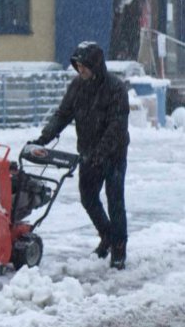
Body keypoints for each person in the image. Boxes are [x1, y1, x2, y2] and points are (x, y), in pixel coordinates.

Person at [29, 41, 130, 269]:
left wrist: (101, 153)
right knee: (88, 198)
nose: (80, 70)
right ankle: (107, 235)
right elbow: (63, 114)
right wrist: (44, 138)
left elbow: (117, 126)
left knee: (115, 201)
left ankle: (119, 248)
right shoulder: (77, 86)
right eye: (77, 66)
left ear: (95, 65)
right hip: (88, 153)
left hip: (113, 155)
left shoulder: (115, 88)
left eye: (84, 66)